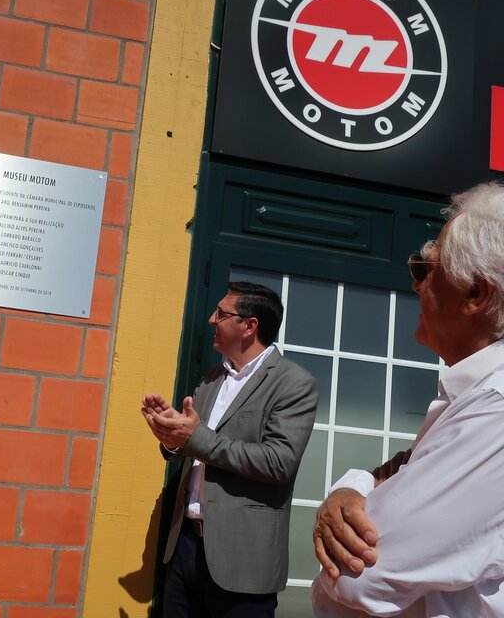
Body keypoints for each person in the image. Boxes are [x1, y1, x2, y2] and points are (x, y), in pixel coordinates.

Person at [311, 181, 504, 617]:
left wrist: (355, 493)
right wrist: (353, 487)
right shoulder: (472, 397)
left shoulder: (495, 406)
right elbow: (394, 473)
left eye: (425, 268)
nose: (416, 285)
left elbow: (360, 573)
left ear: (475, 293)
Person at [141, 281, 318, 617]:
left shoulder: (294, 383)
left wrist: (195, 437)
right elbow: (195, 443)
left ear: (249, 326)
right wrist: (172, 435)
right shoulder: (212, 378)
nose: (211, 319)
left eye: (221, 314)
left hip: (243, 561)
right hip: (185, 549)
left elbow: (278, 462)